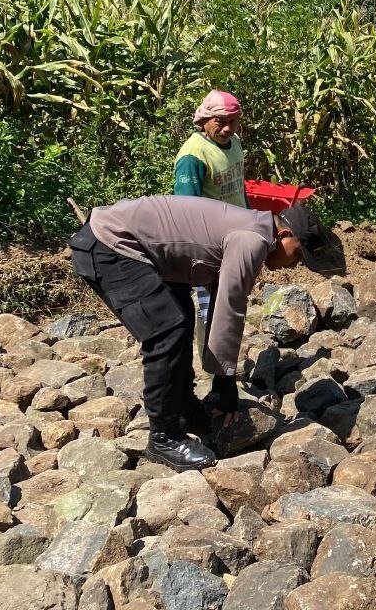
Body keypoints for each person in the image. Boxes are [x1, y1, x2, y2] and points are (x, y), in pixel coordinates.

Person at [68, 196, 318, 471]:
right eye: (297, 254)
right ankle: (163, 437)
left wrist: (222, 381)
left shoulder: (253, 229)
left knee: (181, 320)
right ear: (284, 234)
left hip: (138, 250)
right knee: (167, 331)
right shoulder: (252, 239)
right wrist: (224, 383)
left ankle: (184, 410)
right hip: (111, 245)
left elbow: (218, 298)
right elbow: (229, 308)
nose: (294, 264)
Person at [174, 89, 249, 348]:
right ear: (204, 119)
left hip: (236, 236)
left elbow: (239, 188)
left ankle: (224, 363)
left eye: (232, 121)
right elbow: (186, 209)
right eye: (221, 122)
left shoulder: (235, 143)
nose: (228, 128)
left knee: (229, 302)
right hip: (210, 244)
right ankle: (212, 367)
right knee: (210, 306)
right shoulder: (193, 155)